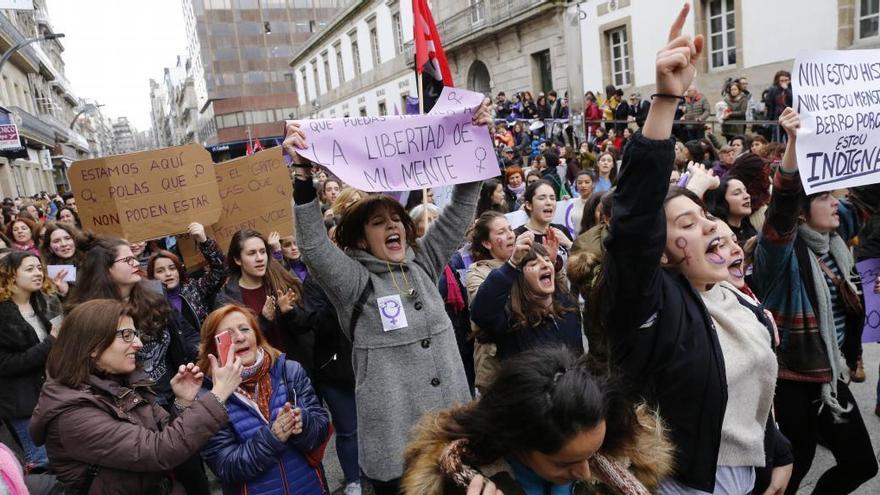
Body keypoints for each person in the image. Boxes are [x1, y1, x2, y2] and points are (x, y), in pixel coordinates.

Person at [599, 5, 791, 493]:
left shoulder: (736, 296)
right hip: (682, 482)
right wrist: (665, 99)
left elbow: (752, 388)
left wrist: (776, 450)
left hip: (748, 476)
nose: (709, 227)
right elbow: (635, 221)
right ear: (659, 253)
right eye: (687, 222)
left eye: (707, 216)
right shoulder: (651, 303)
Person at [283, 101, 492, 493]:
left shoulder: (424, 262)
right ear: (362, 239)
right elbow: (311, 244)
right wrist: (301, 173)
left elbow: (461, 208)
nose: (392, 225)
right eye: (378, 223)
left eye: (396, 218)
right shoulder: (354, 282)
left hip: (456, 438)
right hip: (399, 456)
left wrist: (473, 142)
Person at [753, 108, 878, 494]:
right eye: (824, 196)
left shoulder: (835, 241)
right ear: (804, 214)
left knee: (860, 464)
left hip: (831, 375)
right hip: (791, 380)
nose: (836, 203)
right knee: (794, 466)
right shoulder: (777, 253)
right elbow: (783, 206)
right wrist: (793, 143)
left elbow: (869, 194)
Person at [29, 299, 242, 494]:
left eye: (135, 333)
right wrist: (218, 393)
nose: (139, 343)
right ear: (93, 346)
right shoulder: (72, 415)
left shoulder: (122, 381)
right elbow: (159, 452)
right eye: (127, 335)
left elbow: (167, 436)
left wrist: (182, 402)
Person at [401, 347, 674, 494]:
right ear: (517, 443)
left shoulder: (626, 472)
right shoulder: (452, 485)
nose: (586, 472)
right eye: (565, 463)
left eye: (592, 454)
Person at [198, 304, 331, 495]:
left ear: (256, 335)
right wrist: (273, 438)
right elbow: (226, 467)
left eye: (245, 329)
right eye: (228, 335)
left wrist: (304, 423)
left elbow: (322, 429)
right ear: (214, 347)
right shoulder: (209, 397)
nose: (240, 337)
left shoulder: (289, 371)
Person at [216, 229, 315, 373]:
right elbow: (232, 344)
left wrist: (289, 313)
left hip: (297, 368)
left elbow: (307, 325)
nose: (260, 258)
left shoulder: (282, 282)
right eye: (251, 253)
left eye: (262, 252)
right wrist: (263, 320)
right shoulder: (227, 298)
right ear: (238, 259)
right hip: (260, 375)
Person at [471, 238, 582, 360]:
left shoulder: (569, 306)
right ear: (520, 277)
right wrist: (511, 265)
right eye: (533, 264)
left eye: (547, 260)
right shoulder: (511, 320)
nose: (545, 264)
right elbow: (481, 312)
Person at [0, 252, 61, 472]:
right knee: (43, 463)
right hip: (23, 404)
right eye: (29, 269)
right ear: (11, 276)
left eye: (39, 267)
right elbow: (6, 364)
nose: (38, 273)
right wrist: (51, 342)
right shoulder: (3, 314)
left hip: (55, 393)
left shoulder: (46, 302)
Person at [147, 222, 227, 340]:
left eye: (172, 268)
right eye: (160, 271)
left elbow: (220, 270)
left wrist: (204, 241)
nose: (168, 274)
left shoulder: (195, 289)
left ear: (179, 271)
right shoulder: (150, 304)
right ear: (152, 276)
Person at [465, 211, 515, 395]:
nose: (510, 235)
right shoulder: (476, 273)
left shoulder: (528, 261)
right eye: (501, 232)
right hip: (494, 364)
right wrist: (511, 268)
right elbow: (484, 310)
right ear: (487, 243)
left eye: (510, 229)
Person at [513, 180, 574, 270]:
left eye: (552, 198)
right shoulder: (519, 236)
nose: (549, 202)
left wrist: (569, 244)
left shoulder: (561, 230)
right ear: (529, 205)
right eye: (542, 198)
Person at [704, 176, 757, 248]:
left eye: (745, 191)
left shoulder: (747, 228)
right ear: (721, 201)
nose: (747, 196)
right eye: (737, 193)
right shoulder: (717, 236)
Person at [764, 71, 792, 142]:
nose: (784, 82)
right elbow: (769, 104)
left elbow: (794, 99)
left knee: (790, 139)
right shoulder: (774, 90)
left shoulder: (792, 89)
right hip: (777, 118)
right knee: (777, 139)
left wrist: (786, 90)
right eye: (782, 81)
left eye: (786, 80)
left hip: (789, 118)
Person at [570, 170, 596, 236]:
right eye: (580, 183)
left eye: (587, 182)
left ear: (593, 184)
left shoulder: (598, 202)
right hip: (577, 242)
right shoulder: (574, 202)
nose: (583, 185)